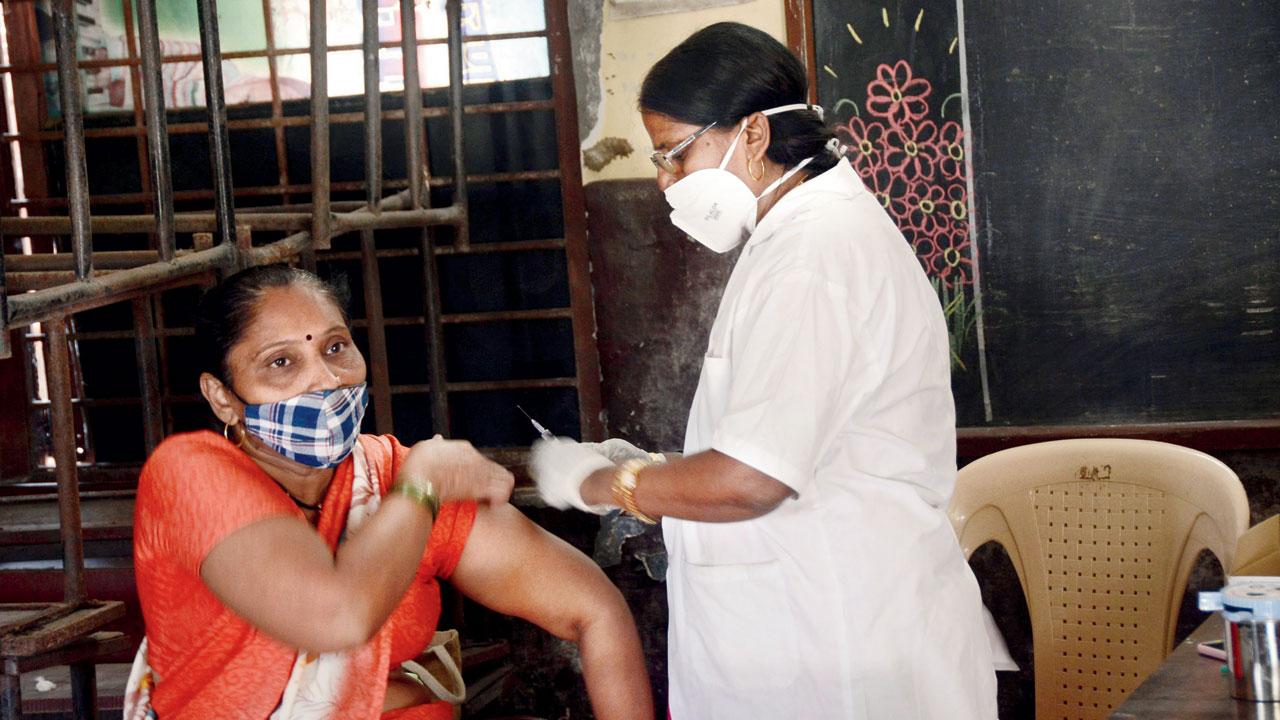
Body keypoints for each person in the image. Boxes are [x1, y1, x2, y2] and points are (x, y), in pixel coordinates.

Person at [530, 22, 997, 720]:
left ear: (752, 134)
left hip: (839, 651)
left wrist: (606, 482)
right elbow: (777, 437)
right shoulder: (797, 236)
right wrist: (655, 465)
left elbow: (752, 479)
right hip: (813, 629)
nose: (663, 181)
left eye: (674, 155)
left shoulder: (813, 257)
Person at [127, 264, 653, 720]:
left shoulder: (390, 474)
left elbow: (594, 610)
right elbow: (336, 618)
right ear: (223, 397)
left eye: (336, 348)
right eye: (281, 363)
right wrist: (421, 485)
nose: (326, 380)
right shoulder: (190, 474)